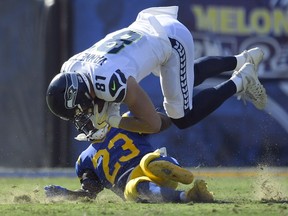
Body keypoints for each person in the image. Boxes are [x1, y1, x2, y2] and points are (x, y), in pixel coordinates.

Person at [46, 6, 267, 140]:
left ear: (83, 94)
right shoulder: (70, 68)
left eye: (80, 109)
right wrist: (106, 109)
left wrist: (113, 121)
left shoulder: (108, 82)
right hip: (148, 28)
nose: (82, 114)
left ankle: (241, 80)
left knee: (181, 116)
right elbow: (99, 89)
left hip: (170, 39)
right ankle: (243, 59)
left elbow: (154, 124)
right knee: (185, 78)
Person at [44, 114, 214, 203]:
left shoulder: (122, 122)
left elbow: (90, 193)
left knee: (150, 166)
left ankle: (181, 185)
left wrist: (67, 194)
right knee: (141, 181)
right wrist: (67, 194)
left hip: (139, 170)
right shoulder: (85, 159)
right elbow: (90, 192)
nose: (88, 123)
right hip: (133, 180)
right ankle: (186, 192)